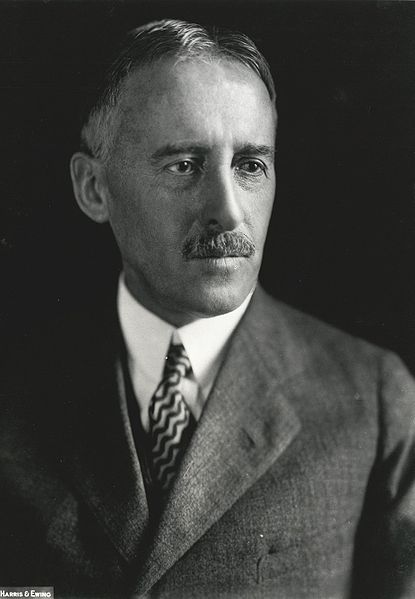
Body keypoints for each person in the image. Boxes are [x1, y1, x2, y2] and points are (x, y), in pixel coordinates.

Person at [1, 18, 415, 599]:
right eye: (183, 165)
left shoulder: (374, 399)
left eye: (250, 166)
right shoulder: (17, 391)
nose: (229, 211)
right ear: (94, 188)